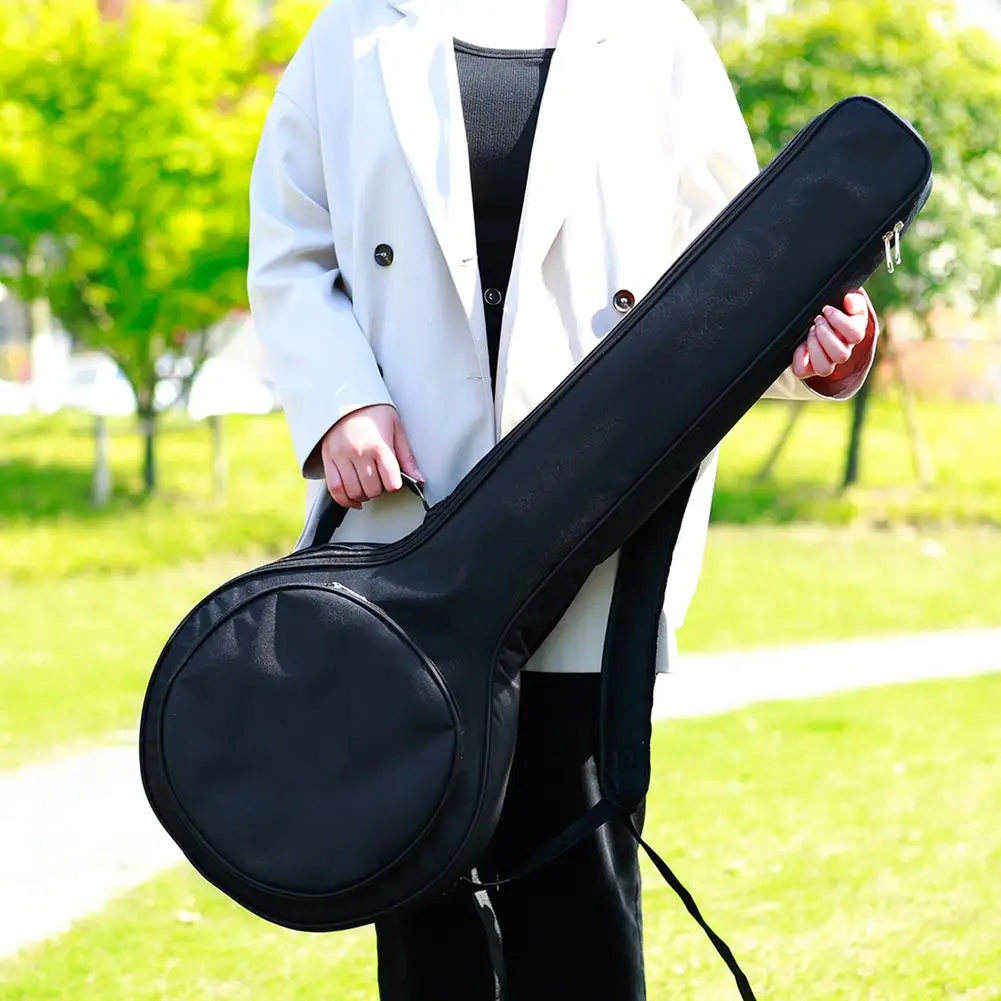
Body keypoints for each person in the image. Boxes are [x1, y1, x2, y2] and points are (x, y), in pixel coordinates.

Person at [247, 0, 880, 997]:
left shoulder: (653, 32)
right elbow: (291, 247)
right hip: (410, 531)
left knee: (579, 872)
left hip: (593, 523)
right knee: (424, 890)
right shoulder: (355, 32)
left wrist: (821, 353)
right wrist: (341, 402)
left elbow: (743, 265)